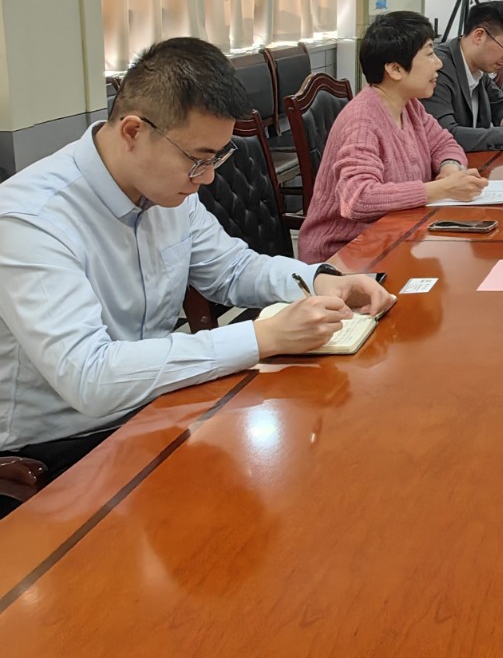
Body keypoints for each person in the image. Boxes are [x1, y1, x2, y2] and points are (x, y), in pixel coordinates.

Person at [0, 38, 393, 493]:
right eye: (197, 160)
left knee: (319, 454)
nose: (206, 178)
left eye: (216, 159)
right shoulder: (31, 220)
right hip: (64, 446)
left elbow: (232, 269)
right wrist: (263, 337)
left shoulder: (166, 190)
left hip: (157, 404)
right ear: (133, 132)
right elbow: (90, 376)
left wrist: (321, 279)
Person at [299, 11, 488, 263]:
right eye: (429, 54)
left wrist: (449, 169)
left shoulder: (409, 105)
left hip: (396, 238)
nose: (439, 64)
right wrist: (440, 189)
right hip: (345, 256)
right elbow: (358, 199)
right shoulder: (363, 121)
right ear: (395, 69)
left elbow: (445, 143)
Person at [424, 0, 503, 152]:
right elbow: (445, 136)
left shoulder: (477, 65)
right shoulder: (438, 69)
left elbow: (501, 102)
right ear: (479, 36)